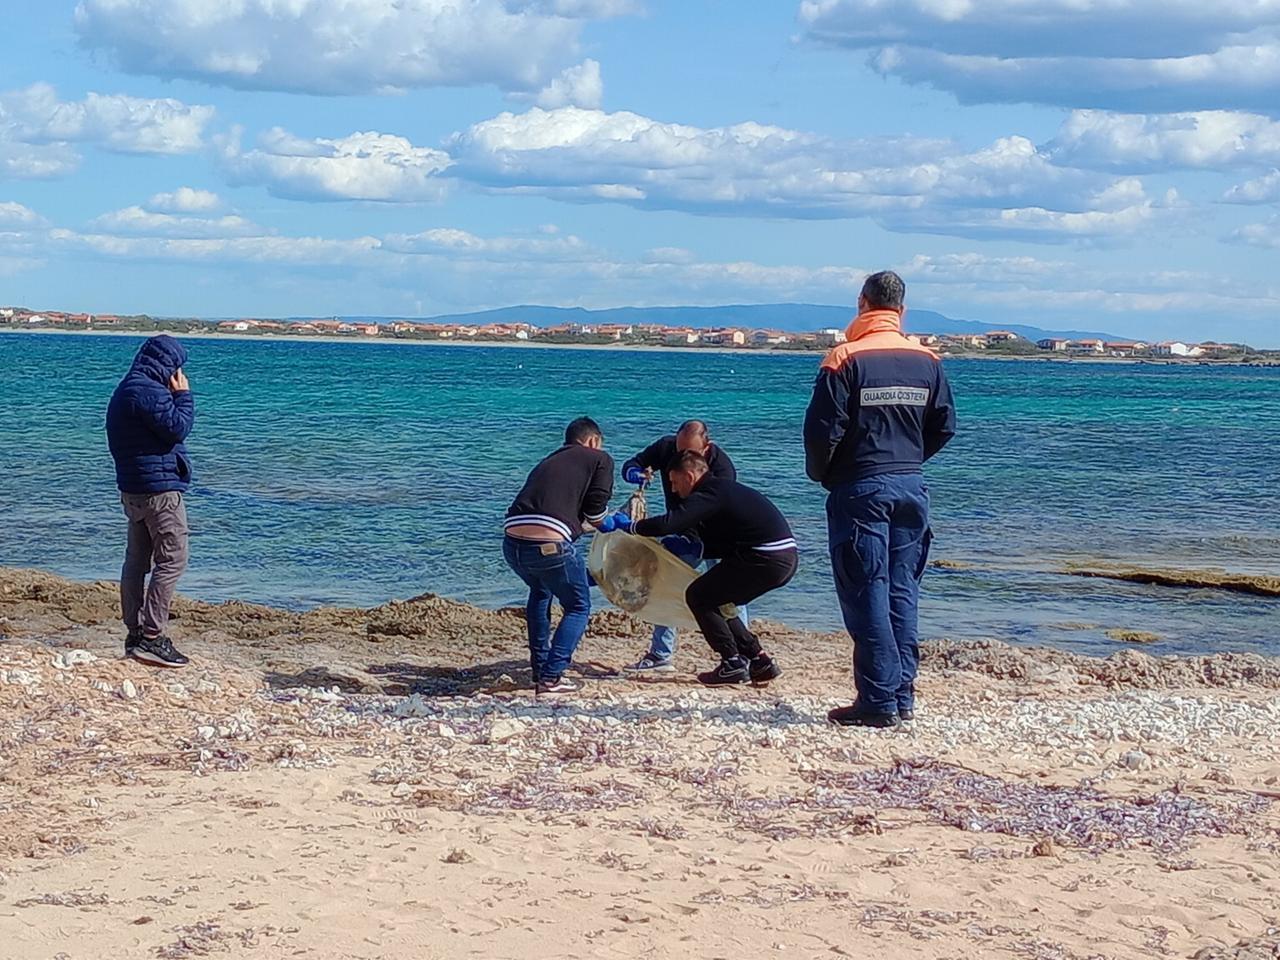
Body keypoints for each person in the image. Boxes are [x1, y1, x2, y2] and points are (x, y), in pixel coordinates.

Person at [803, 271, 956, 728]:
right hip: (911, 485)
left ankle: (877, 700)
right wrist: (909, 459)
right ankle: (902, 694)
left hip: (862, 487)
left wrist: (827, 476)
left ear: (862, 303)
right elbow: (944, 425)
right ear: (901, 310)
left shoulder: (843, 358)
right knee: (903, 590)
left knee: (866, 588)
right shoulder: (928, 360)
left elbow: (820, 433)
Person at [599, 451, 795, 687]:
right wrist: (695, 547)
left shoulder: (710, 491)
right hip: (781, 557)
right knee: (721, 602)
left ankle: (732, 663)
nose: (672, 489)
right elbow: (721, 541)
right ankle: (759, 660)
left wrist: (632, 526)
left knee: (698, 596)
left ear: (690, 476)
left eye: (674, 481)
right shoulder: (720, 491)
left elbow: (672, 522)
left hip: (765, 557)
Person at [618, 420, 746, 674]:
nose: (683, 457)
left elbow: (712, 513)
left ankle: (742, 654)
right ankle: (660, 655)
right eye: (679, 451)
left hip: (719, 536)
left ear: (707, 447)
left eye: (691, 452)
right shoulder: (666, 448)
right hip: (681, 530)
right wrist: (635, 473)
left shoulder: (723, 470)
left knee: (730, 596)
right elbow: (631, 465)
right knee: (663, 585)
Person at [504, 417, 615, 695]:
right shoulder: (599, 458)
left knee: (540, 590)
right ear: (593, 441)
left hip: (512, 543)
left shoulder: (550, 460)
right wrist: (617, 524)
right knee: (578, 606)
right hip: (550, 545)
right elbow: (595, 513)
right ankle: (552, 677)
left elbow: (566, 514)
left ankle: (539, 669)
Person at [105, 335, 196, 668]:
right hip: (159, 491)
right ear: (167, 364)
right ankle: (153, 637)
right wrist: (183, 396)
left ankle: (134, 634)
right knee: (172, 560)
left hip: (133, 488)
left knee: (137, 561)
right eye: (177, 366)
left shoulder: (125, 388)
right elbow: (177, 428)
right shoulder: (149, 391)